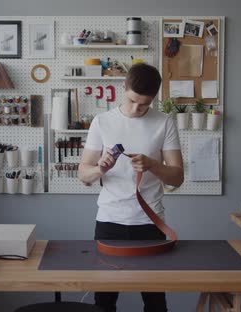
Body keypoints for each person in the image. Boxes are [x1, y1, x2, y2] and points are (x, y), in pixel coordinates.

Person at [78, 63, 184, 312]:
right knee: (103, 303)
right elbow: (84, 175)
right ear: (122, 87)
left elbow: (177, 177)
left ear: (154, 99)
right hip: (109, 222)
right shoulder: (102, 122)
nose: (137, 109)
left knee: (156, 304)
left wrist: (152, 165)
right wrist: (100, 170)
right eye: (133, 101)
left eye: (145, 104)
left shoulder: (164, 122)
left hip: (150, 223)